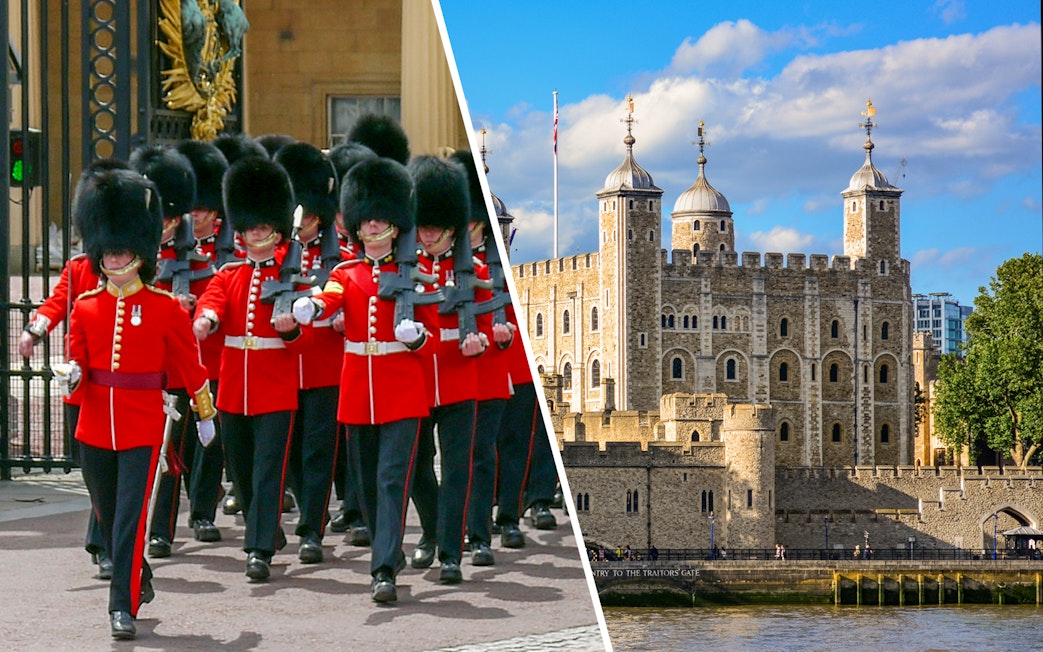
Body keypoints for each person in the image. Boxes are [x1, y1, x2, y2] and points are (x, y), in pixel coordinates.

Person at [61, 166, 216, 640]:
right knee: (109, 519)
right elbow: (76, 365)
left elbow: (189, 364)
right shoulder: (86, 305)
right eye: (108, 249)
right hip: (94, 426)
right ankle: (138, 576)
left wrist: (205, 411)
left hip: (144, 424)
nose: (114, 256)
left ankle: (120, 608)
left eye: (122, 249)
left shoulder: (165, 307)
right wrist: (71, 378)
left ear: (139, 253)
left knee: (130, 518)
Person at [293, 155, 437, 603]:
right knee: (368, 483)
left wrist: (416, 340)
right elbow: (332, 298)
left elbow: (433, 340)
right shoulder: (346, 273)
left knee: (393, 479)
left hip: (402, 393)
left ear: (395, 226)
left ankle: (382, 572)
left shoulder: (416, 275)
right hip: (359, 391)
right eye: (366, 223)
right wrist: (313, 308)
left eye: (381, 222)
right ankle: (387, 552)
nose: (373, 229)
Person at [193, 156, 308, 581]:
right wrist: (205, 320)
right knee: (240, 472)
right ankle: (267, 527)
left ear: (276, 231)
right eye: (250, 228)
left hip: (275, 388)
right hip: (234, 389)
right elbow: (213, 301)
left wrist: (293, 328)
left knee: (267, 470)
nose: (255, 234)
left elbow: (305, 339)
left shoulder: (294, 277)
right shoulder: (229, 273)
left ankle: (258, 549)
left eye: (263, 228)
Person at [19, 159, 121, 580]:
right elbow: (57, 302)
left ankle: (107, 544)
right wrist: (34, 330)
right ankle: (103, 539)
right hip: (83, 383)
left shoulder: (136, 269)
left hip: (123, 384)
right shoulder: (80, 268)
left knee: (116, 467)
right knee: (92, 467)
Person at [406, 154, 490, 584]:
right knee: (417, 465)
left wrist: (483, 341)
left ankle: (451, 554)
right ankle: (433, 531)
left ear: (452, 228)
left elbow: (491, 326)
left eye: (435, 227)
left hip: (459, 381)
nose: (426, 234)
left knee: (458, 469)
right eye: (422, 226)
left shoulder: (472, 272)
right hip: (416, 381)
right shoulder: (406, 271)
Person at [129, 144, 213, 560]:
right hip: (132, 372)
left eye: (167, 218)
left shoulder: (196, 264)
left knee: (168, 454)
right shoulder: (127, 258)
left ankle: (161, 530)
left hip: (173, 374)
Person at [273, 141, 344, 564]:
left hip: (324, 367)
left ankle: (311, 528)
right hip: (283, 365)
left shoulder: (341, 257)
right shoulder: (277, 255)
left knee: (318, 451)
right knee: (291, 452)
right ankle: (302, 511)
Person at [174, 138, 233, 542]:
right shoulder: (168, 250)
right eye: (189, 209)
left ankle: (203, 512)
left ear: (215, 212)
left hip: (214, 358)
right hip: (177, 359)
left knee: (211, 438)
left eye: (201, 209)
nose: (194, 216)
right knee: (180, 439)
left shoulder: (230, 249)